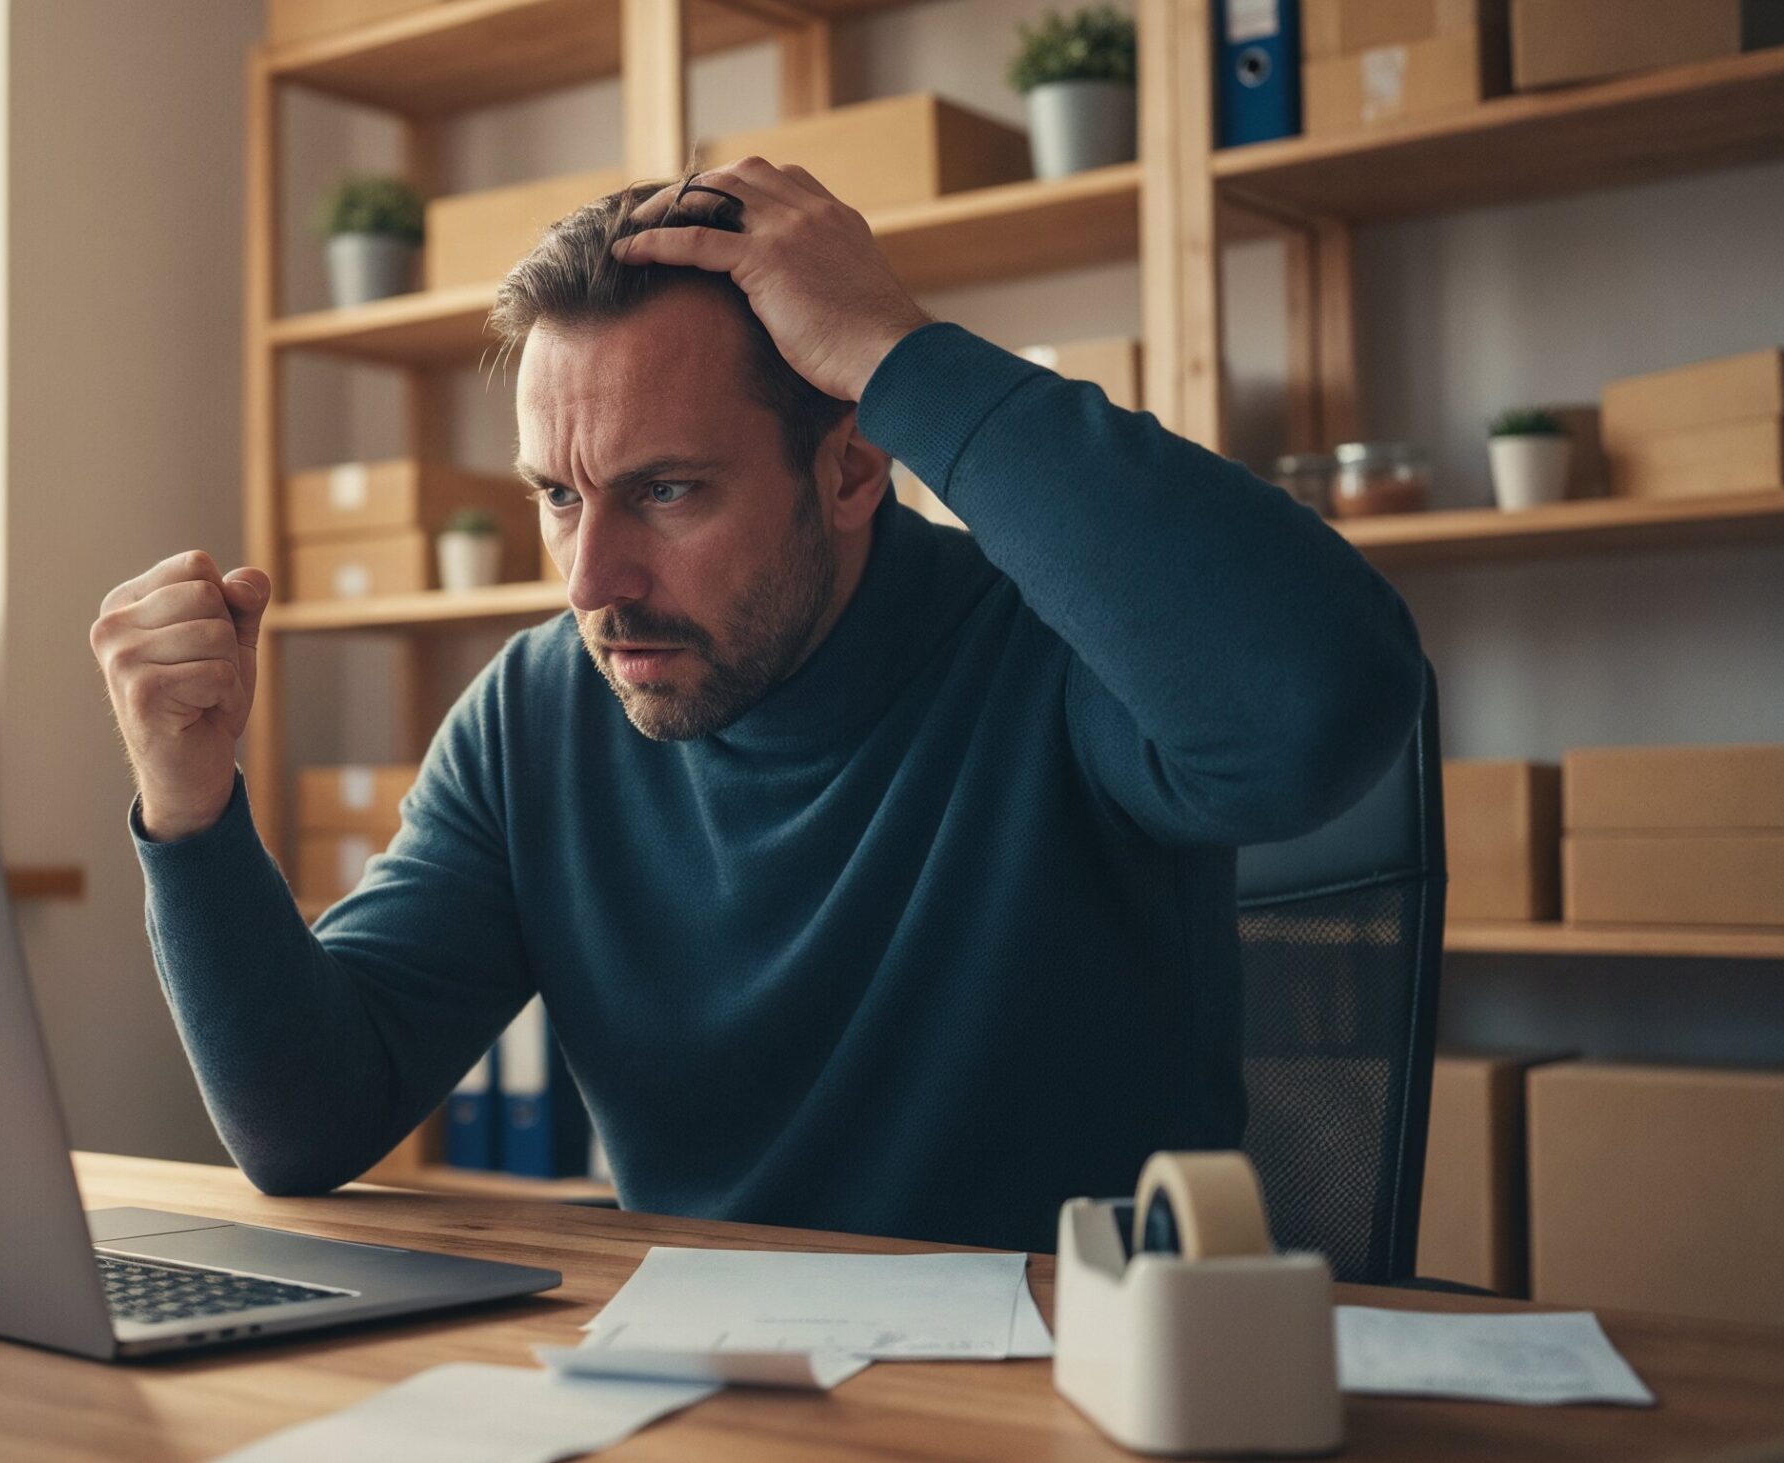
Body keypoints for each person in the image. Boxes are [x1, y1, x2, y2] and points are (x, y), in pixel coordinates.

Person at [91, 160, 1424, 1252]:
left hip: (1057, 1390)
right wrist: (192, 810)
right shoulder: (538, 716)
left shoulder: (1066, 649)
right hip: (707, 1392)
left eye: (666, 492)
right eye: (560, 496)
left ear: (852, 470)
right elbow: (309, 1121)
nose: (592, 582)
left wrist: (904, 357)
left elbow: (1318, 712)